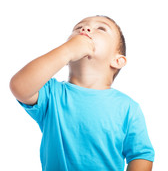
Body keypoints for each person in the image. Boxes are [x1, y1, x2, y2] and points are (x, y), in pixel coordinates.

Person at [9, 15, 155, 171]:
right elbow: (20, 86)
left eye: (101, 28)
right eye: (78, 28)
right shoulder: (51, 94)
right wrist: (66, 51)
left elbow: (141, 155)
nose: (85, 29)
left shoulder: (128, 108)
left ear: (117, 61)